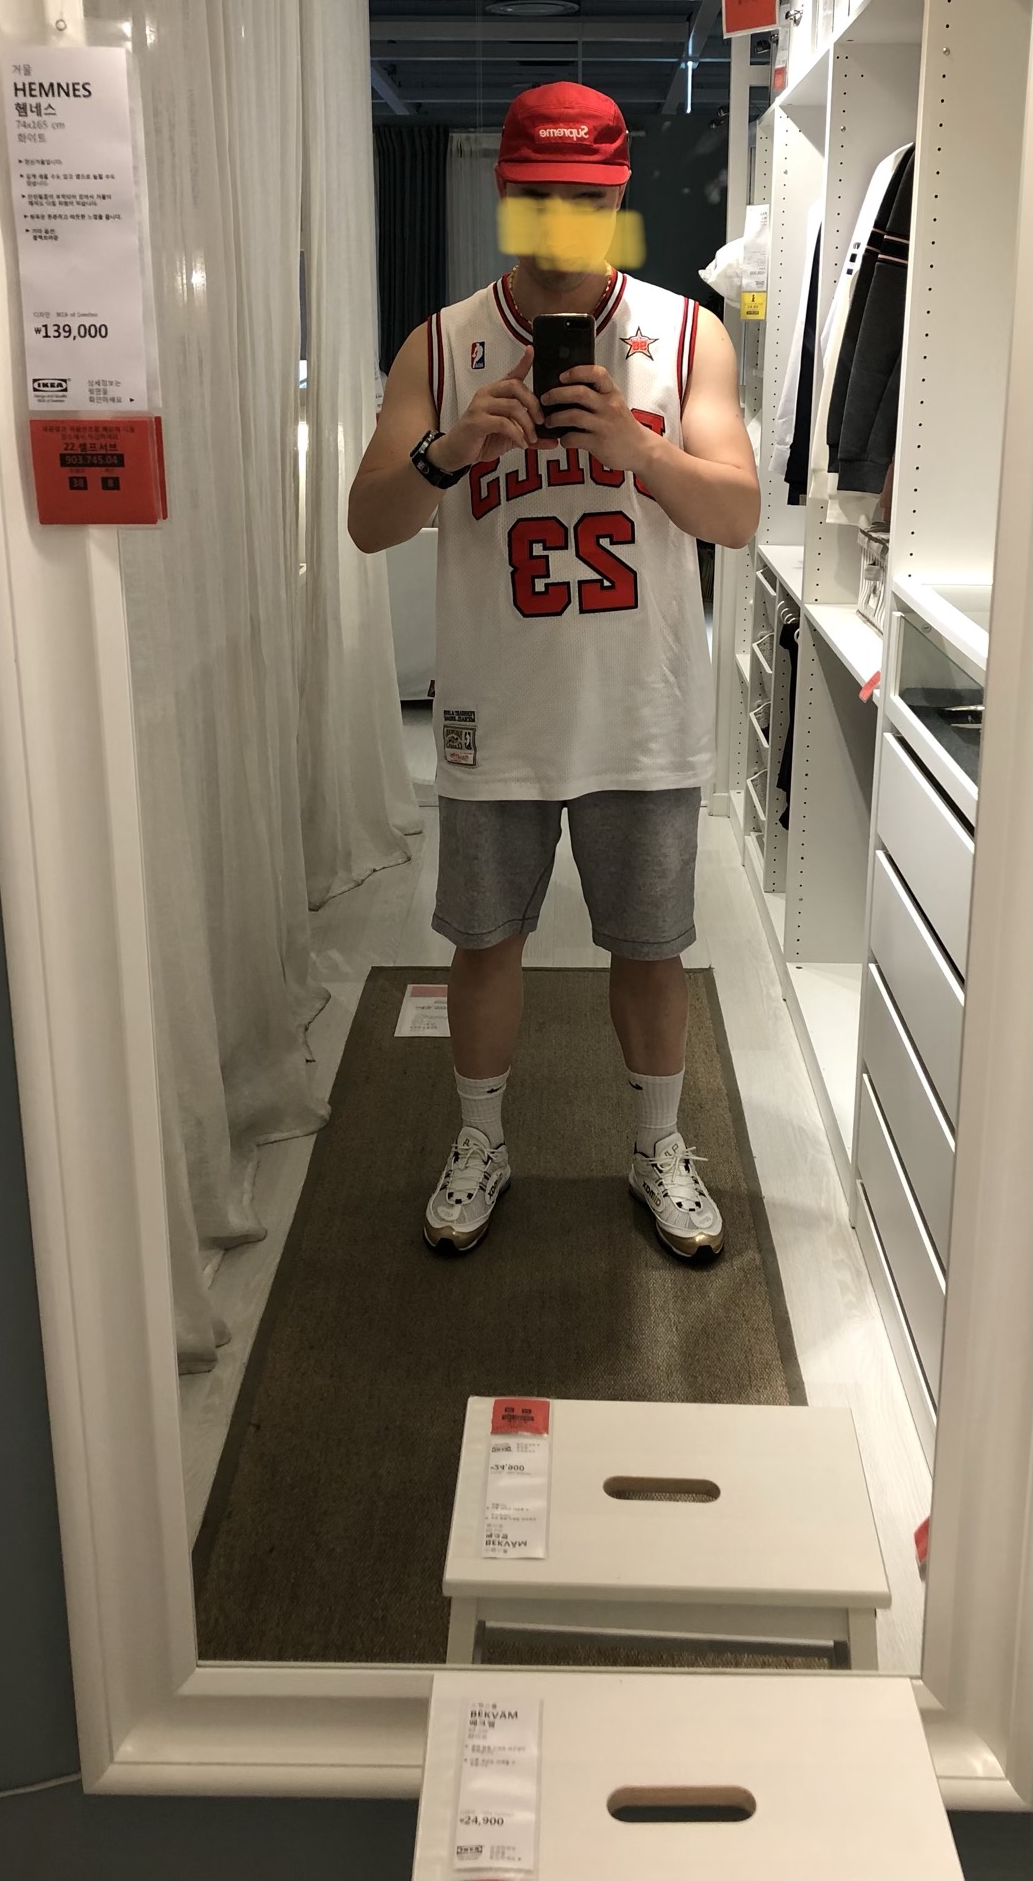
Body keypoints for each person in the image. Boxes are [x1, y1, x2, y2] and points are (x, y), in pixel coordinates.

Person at [350, 81, 758, 1261]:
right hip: (497, 706)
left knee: (650, 948)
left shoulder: (686, 335)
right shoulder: (440, 344)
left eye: (586, 197)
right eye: (539, 195)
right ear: (505, 194)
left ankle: (655, 1146)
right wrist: (446, 451)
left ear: (616, 195)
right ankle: (480, 1140)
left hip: (641, 704)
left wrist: (635, 448)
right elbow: (368, 523)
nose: (563, 220)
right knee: (484, 944)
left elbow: (735, 515)